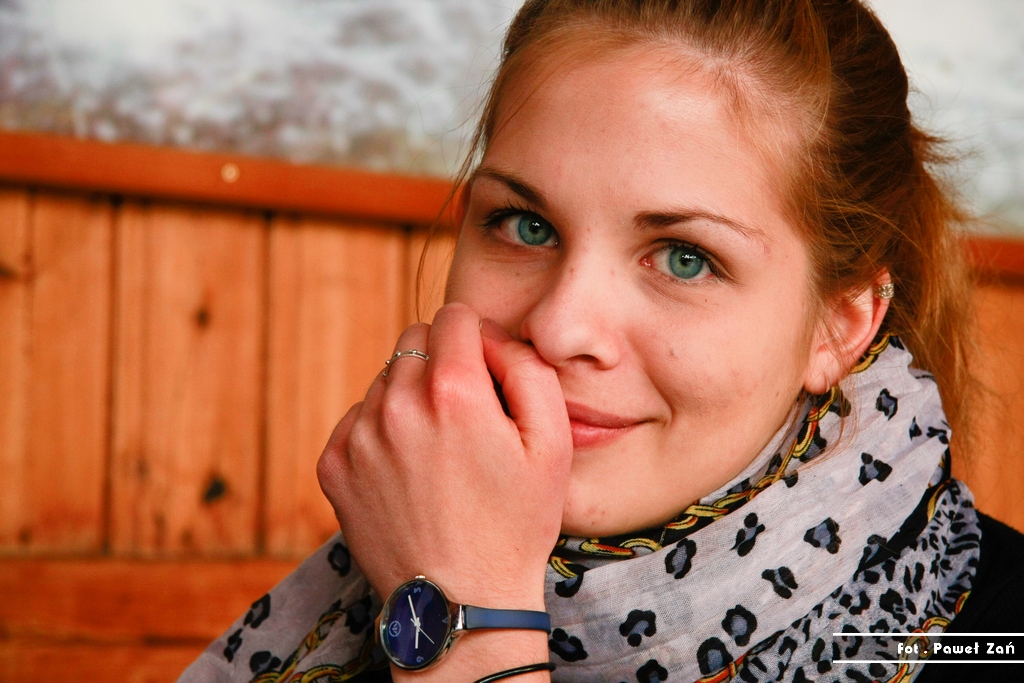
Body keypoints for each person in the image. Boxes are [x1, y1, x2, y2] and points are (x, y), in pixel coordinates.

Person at [178, 1, 1024, 682]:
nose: (559, 326)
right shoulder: (368, 589)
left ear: (842, 322)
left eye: (685, 258)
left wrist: (467, 625)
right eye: (526, 224)